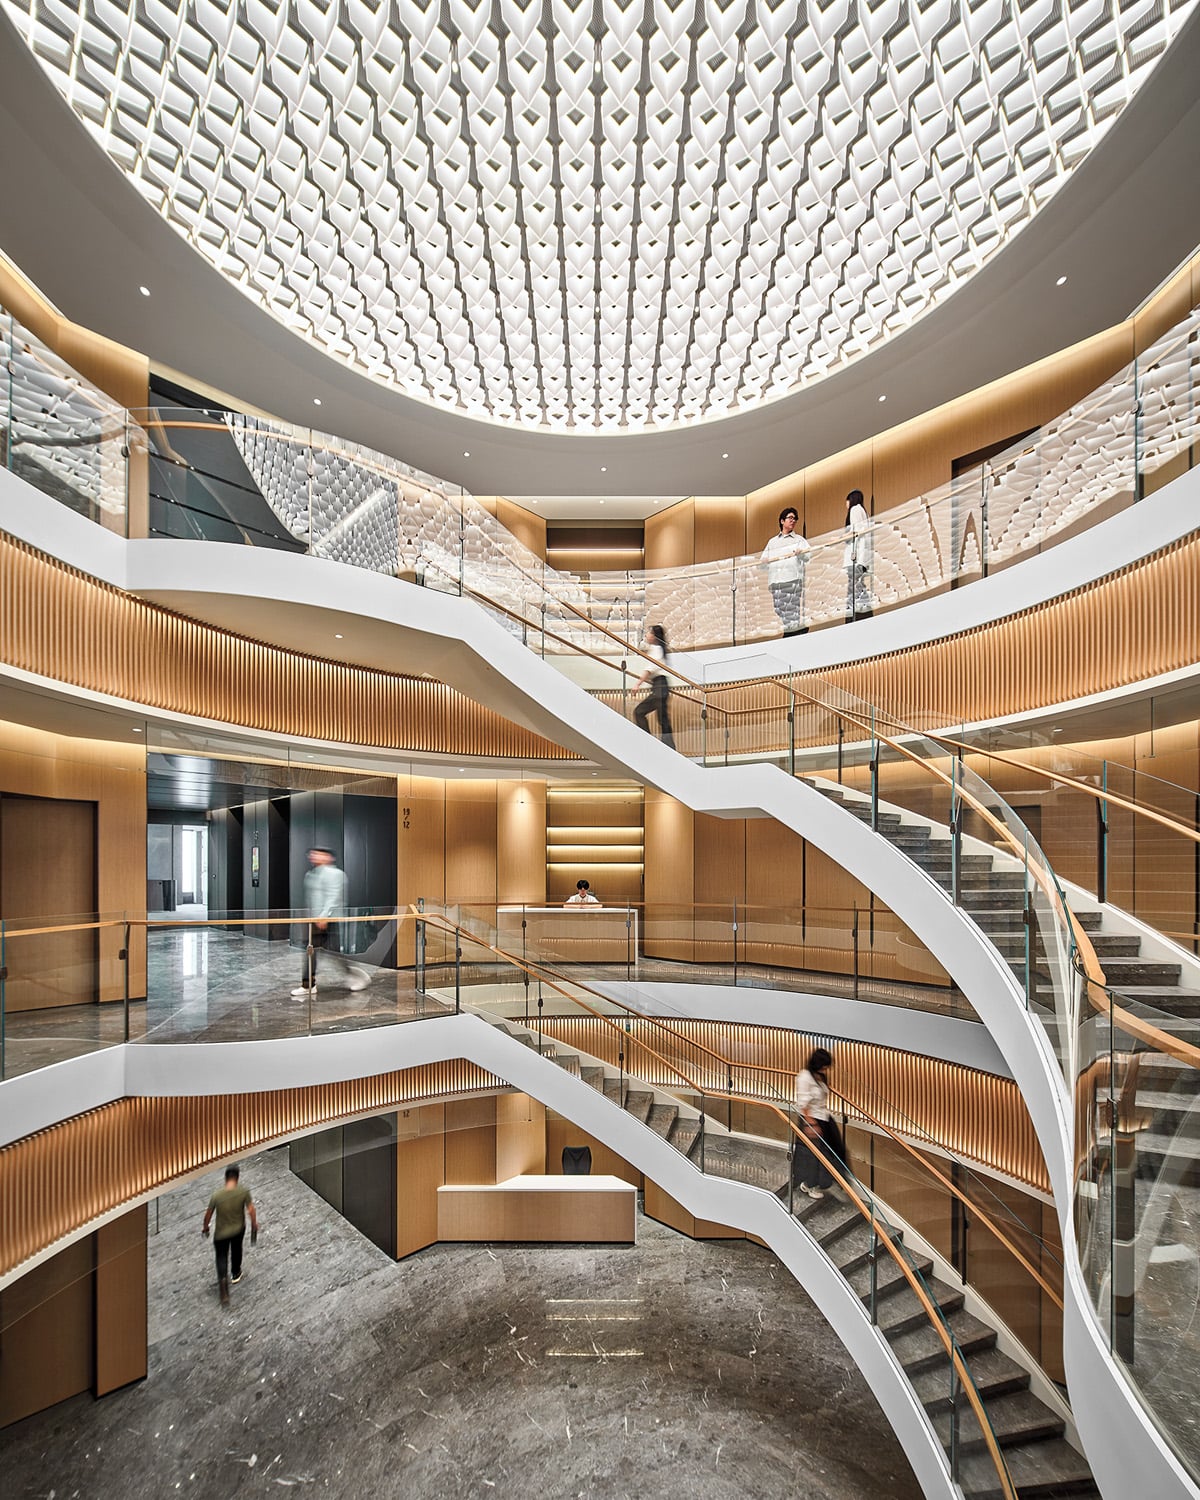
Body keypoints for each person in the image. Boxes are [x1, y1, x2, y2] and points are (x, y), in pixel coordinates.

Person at [292, 846, 370, 997]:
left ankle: (357, 975)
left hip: (329, 920)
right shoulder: (311, 875)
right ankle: (308, 985)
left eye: (319, 854)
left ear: (329, 857)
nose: (314, 857)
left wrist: (324, 916)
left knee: (333, 953)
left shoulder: (336, 874)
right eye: (313, 854)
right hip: (315, 920)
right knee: (311, 952)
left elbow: (334, 897)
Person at [792, 1047, 848, 1201]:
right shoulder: (805, 1077)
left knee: (833, 1152)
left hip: (824, 1118)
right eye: (824, 1066)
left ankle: (829, 1182)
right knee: (814, 1155)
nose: (826, 1069)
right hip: (812, 1119)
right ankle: (810, 1185)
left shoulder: (820, 1076)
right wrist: (810, 1123)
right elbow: (803, 1103)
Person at [202, 1164, 259, 1304]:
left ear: (225, 1178)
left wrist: (205, 1228)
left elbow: (208, 1214)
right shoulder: (243, 1191)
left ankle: (223, 1287)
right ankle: (235, 1273)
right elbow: (251, 1210)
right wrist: (254, 1224)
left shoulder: (217, 1195)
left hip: (221, 1233)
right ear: (237, 1177)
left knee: (221, 1257)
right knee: (237, 1249)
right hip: (238, 1229)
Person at [760, 505, 811, 636]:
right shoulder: (772, 542)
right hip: (776, 581)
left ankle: (791, 634)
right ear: (782, 521)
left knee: (793, 608)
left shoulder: (799, 539)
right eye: (790, 518)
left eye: (795, 519)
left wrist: (800, 553)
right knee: (779, 608)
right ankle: (794, 630)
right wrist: (764, 562)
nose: (793, 520)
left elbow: (808, 556)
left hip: (792, 579)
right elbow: (762, 563)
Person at [632, 624, 674, 748]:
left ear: (655, 636)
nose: (647, 635)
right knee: (663, 720)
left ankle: (650, 743)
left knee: (639, 712)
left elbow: (650, 669)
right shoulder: (659, 649)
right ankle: (669, 748)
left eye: (649, 633)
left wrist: (638, 684)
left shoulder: (656, 648)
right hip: (661, 686)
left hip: (660, 687)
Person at [844, 489, 873, 620]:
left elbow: (855, 531)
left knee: (855, 586)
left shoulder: (855, 509)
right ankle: (863, 613)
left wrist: (840, 537)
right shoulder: (863, 511)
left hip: (855, 557)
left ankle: (858, 615)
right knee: (858, 585)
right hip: (862, 556)